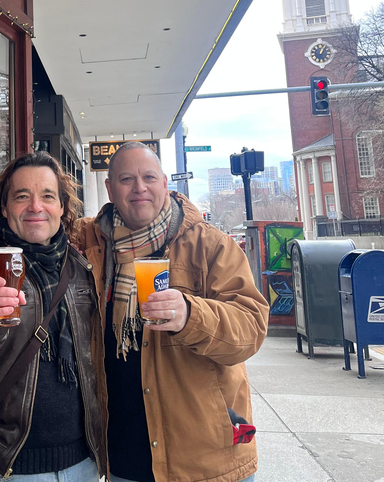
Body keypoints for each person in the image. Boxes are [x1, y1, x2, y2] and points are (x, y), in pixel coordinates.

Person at [75, 142, 268, 482]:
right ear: (109, 188)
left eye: (149, 177)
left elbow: (250, 329)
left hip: (204, 458)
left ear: (165, 183)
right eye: (126, 179)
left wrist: (191, 316)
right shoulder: (89, 241)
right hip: (123, 457)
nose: (139, 188)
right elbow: (37, 230)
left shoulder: (210, 244)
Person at [0, 152, 106, 481]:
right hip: (2, 467)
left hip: (84, 464)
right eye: (22, 196)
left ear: (63, 208)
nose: (36, 207)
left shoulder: (83, 268)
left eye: (47, 196)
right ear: (3, 207)